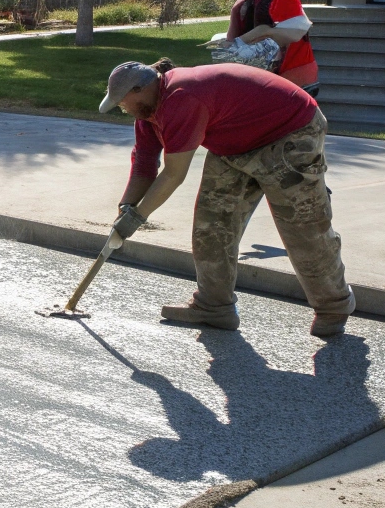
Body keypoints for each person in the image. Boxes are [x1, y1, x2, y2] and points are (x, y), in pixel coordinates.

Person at [99, 58, 355, 337]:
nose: (123, 108)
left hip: (289, 132)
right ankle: (214, 306)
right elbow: (145, 164)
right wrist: (126, 208)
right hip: (234, 143)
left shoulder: (181, 97)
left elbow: (174, 174)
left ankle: (334, 305)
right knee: (212, 227)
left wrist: (137, 217)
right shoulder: (147, 114)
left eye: (123, 101)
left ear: (140, 90)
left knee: (303, 228)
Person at [214, 0, 320, 96]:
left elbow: (297, 32)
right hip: (264, 82)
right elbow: (231, 43)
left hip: (294, 79)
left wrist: (265, 31)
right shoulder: (242, 3)